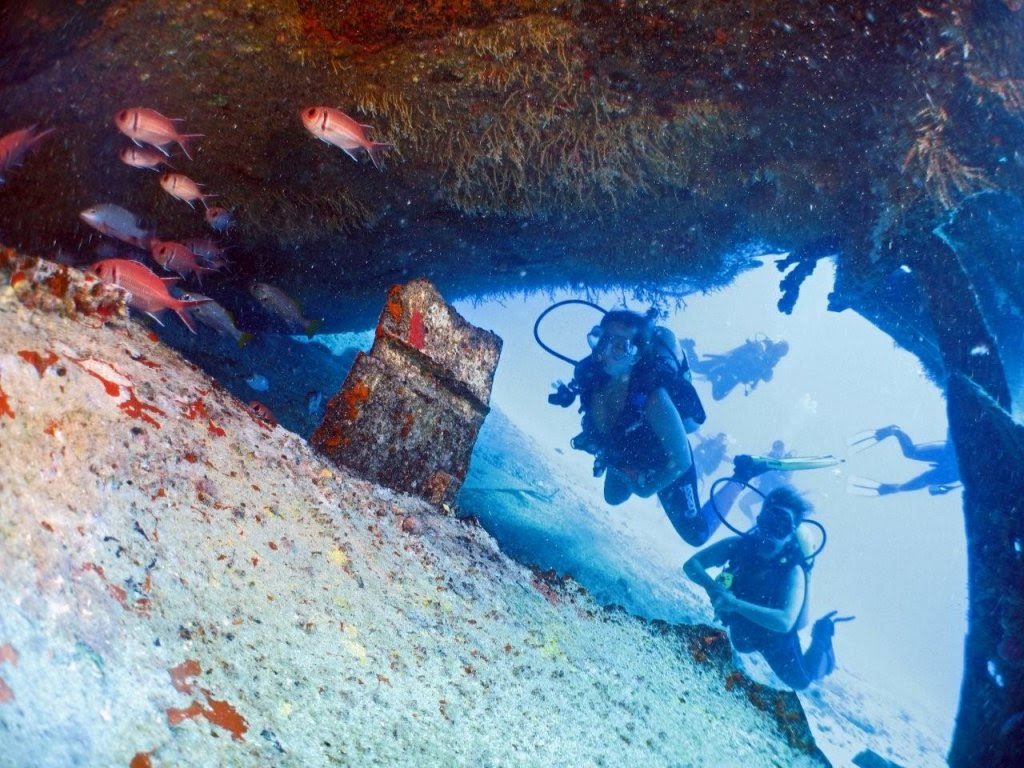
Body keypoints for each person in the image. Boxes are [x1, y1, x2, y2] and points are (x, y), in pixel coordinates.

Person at [684, 477, 851, 690]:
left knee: (802, 681)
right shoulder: (737, 546)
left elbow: (785, 621)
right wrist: (714, 587)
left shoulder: (792, 571)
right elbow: (692, 565)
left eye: (782, 526)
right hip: (741, 626)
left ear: (791, 533)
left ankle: (822, 637)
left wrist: (733, 603)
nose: (772, 532)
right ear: (760, 519)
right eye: (770, 521)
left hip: (775, 639)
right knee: (741, 646)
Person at [568, 309, 712, 544]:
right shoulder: (588, 374)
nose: (605, 352)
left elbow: (681, 461)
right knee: (613, 497)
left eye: (619, 347)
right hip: (628, 448)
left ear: (636, 356)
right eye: (603, 340)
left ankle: (743, 475)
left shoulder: (654, 399)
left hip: (665, 457)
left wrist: (646, 489)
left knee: (696, 535)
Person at [847, 425, 961, 497]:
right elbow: (927, 481)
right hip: (952, 453)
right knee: (911, 453)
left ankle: (895, 432)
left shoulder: (956, 476)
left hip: (951, 457)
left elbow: (926, 481)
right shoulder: (956, 475)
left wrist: (899, 488)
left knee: (911, 453)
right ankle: (895, 432)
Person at [680, 336, 790, 401]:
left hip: (735, 376)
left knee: (717, 395)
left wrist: (754, 385)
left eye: (782, 352)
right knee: (696, 367)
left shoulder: (769, 365)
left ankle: (713, 377)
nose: (779, 352)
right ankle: (689, 346)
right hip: (729, 364)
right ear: (778, 344)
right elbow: (746, 349)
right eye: (781, 348)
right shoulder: (764, 346)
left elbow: (760, 378)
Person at [737, 439, 793, 522]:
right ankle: (753, 521)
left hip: (776, 495)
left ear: (784, 451)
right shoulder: (768, 458)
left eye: (780, 451)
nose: (777, 453)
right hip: (762, 490)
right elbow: (758, 470)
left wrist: (772, 473)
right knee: (743, 503)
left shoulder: (787, 463)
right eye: (775, 450)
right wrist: (757, 477)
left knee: (769, 517)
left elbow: (786, 481)